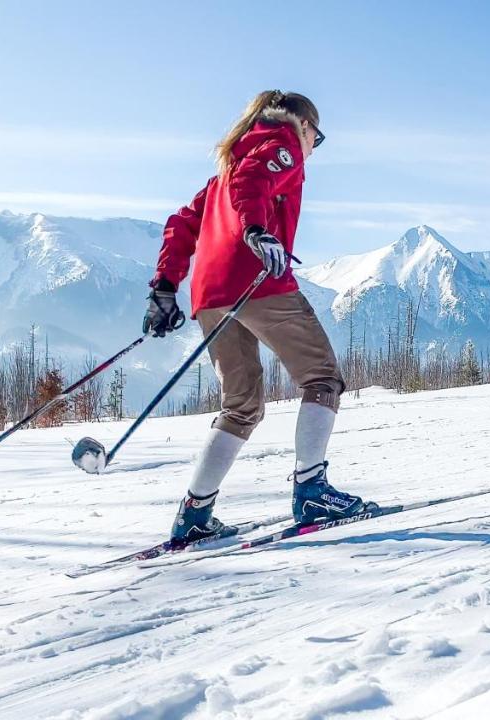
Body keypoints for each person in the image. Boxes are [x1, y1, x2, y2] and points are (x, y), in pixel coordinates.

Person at [144, 90, 375, 545]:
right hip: (256, 281)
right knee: (322, 378)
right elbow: (253, 184)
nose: (313, 147)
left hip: (210, 294)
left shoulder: (222, 174)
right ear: (304, 125)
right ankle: (312, 490)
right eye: (318, 136)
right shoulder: (283, 144)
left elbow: (182, 223)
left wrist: (165, 287)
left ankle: (195, 513)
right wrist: (256, 232)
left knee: (241, 405)